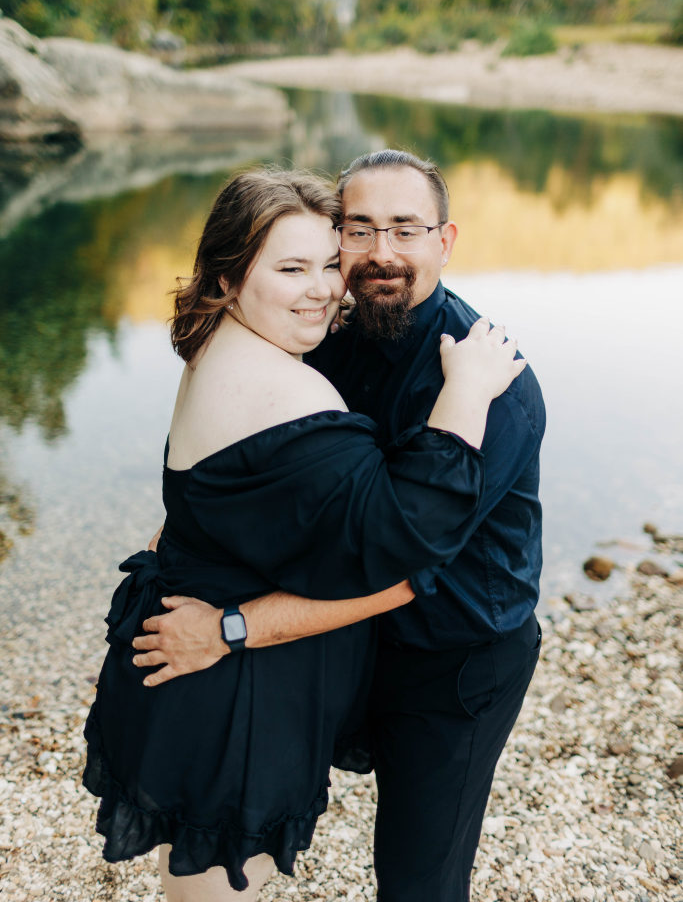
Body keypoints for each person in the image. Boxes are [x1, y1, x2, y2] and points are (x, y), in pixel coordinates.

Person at [83, 166, 526, 902]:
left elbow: (205, 499)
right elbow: (400, 542)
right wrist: (466, 394)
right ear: (227, 280)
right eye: (293, 267)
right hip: (231, 690)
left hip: (418, 660)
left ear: (444, 241)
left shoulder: (242, 348)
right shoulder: (285, 381)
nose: (324, 288)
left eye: (328, 262)